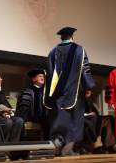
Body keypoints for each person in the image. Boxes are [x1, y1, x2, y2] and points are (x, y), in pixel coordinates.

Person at [45, 27, 95, 156]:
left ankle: (57, 142)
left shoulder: (53, 51)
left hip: (57, 93)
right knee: (74, 120)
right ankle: (67, 148)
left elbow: (49, 73)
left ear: (61, 37)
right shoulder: (79, 49)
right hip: (74, 92)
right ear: (72, 36)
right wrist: (88, 86)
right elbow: (85, 69)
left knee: (59, 119)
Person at [15, 69, 49, 140]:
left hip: (43, 116)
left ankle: (49, 143)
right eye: (40, 76)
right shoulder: (27, 90)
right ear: (33, 79)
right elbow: (23, 107)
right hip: (30, 116)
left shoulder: (46, 91)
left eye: (43, 76)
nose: (42, 78)